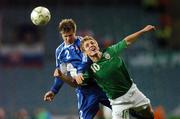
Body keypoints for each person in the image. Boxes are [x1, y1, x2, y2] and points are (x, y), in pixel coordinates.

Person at [54, 25, 156, 119]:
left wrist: (143, 31)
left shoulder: (110, 51)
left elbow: (127, 41)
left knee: (149, 113)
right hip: (118, 102)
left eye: (92, 43)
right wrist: (62, 76)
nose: (91, 45)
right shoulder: (90, 70)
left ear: (97, 46)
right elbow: (75, 83)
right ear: (85, 53)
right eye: (87, 45)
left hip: (133, 91)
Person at [43, 19, 111, 119]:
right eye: (65, 36)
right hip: (84, 90)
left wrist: (79, 72)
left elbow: (86, 60)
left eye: (70, 35)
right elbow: (61, 72)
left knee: (125, 107)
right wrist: (53, 91)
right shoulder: (59, 51)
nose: (68, 39)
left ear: (74, 32)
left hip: (100, 84)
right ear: (61, 34)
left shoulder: (83, 42)